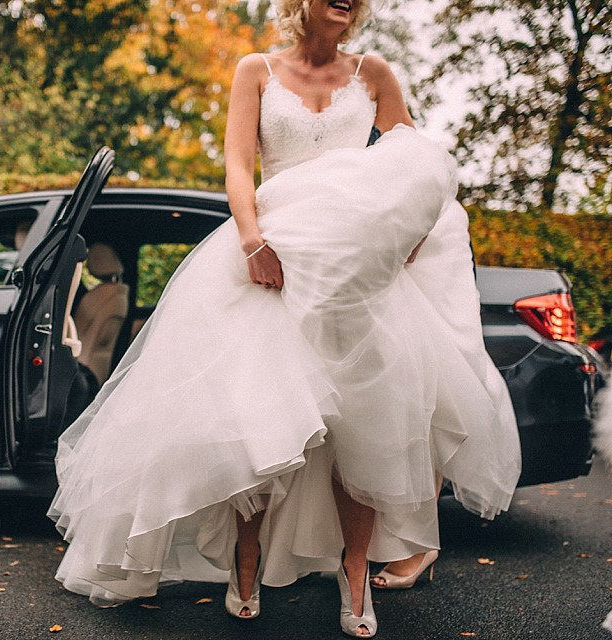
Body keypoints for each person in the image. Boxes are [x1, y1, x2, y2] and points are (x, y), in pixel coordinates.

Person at [47, 0, 521, 636]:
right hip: (275, 265)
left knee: (367, 428)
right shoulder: (256, 70)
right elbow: (239, 166)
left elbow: (418, 173)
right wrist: (252, 243)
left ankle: (355, 578)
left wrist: (401, 247)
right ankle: (248, 558)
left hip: (358, 283)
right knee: (259, 418)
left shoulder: (375, 73)